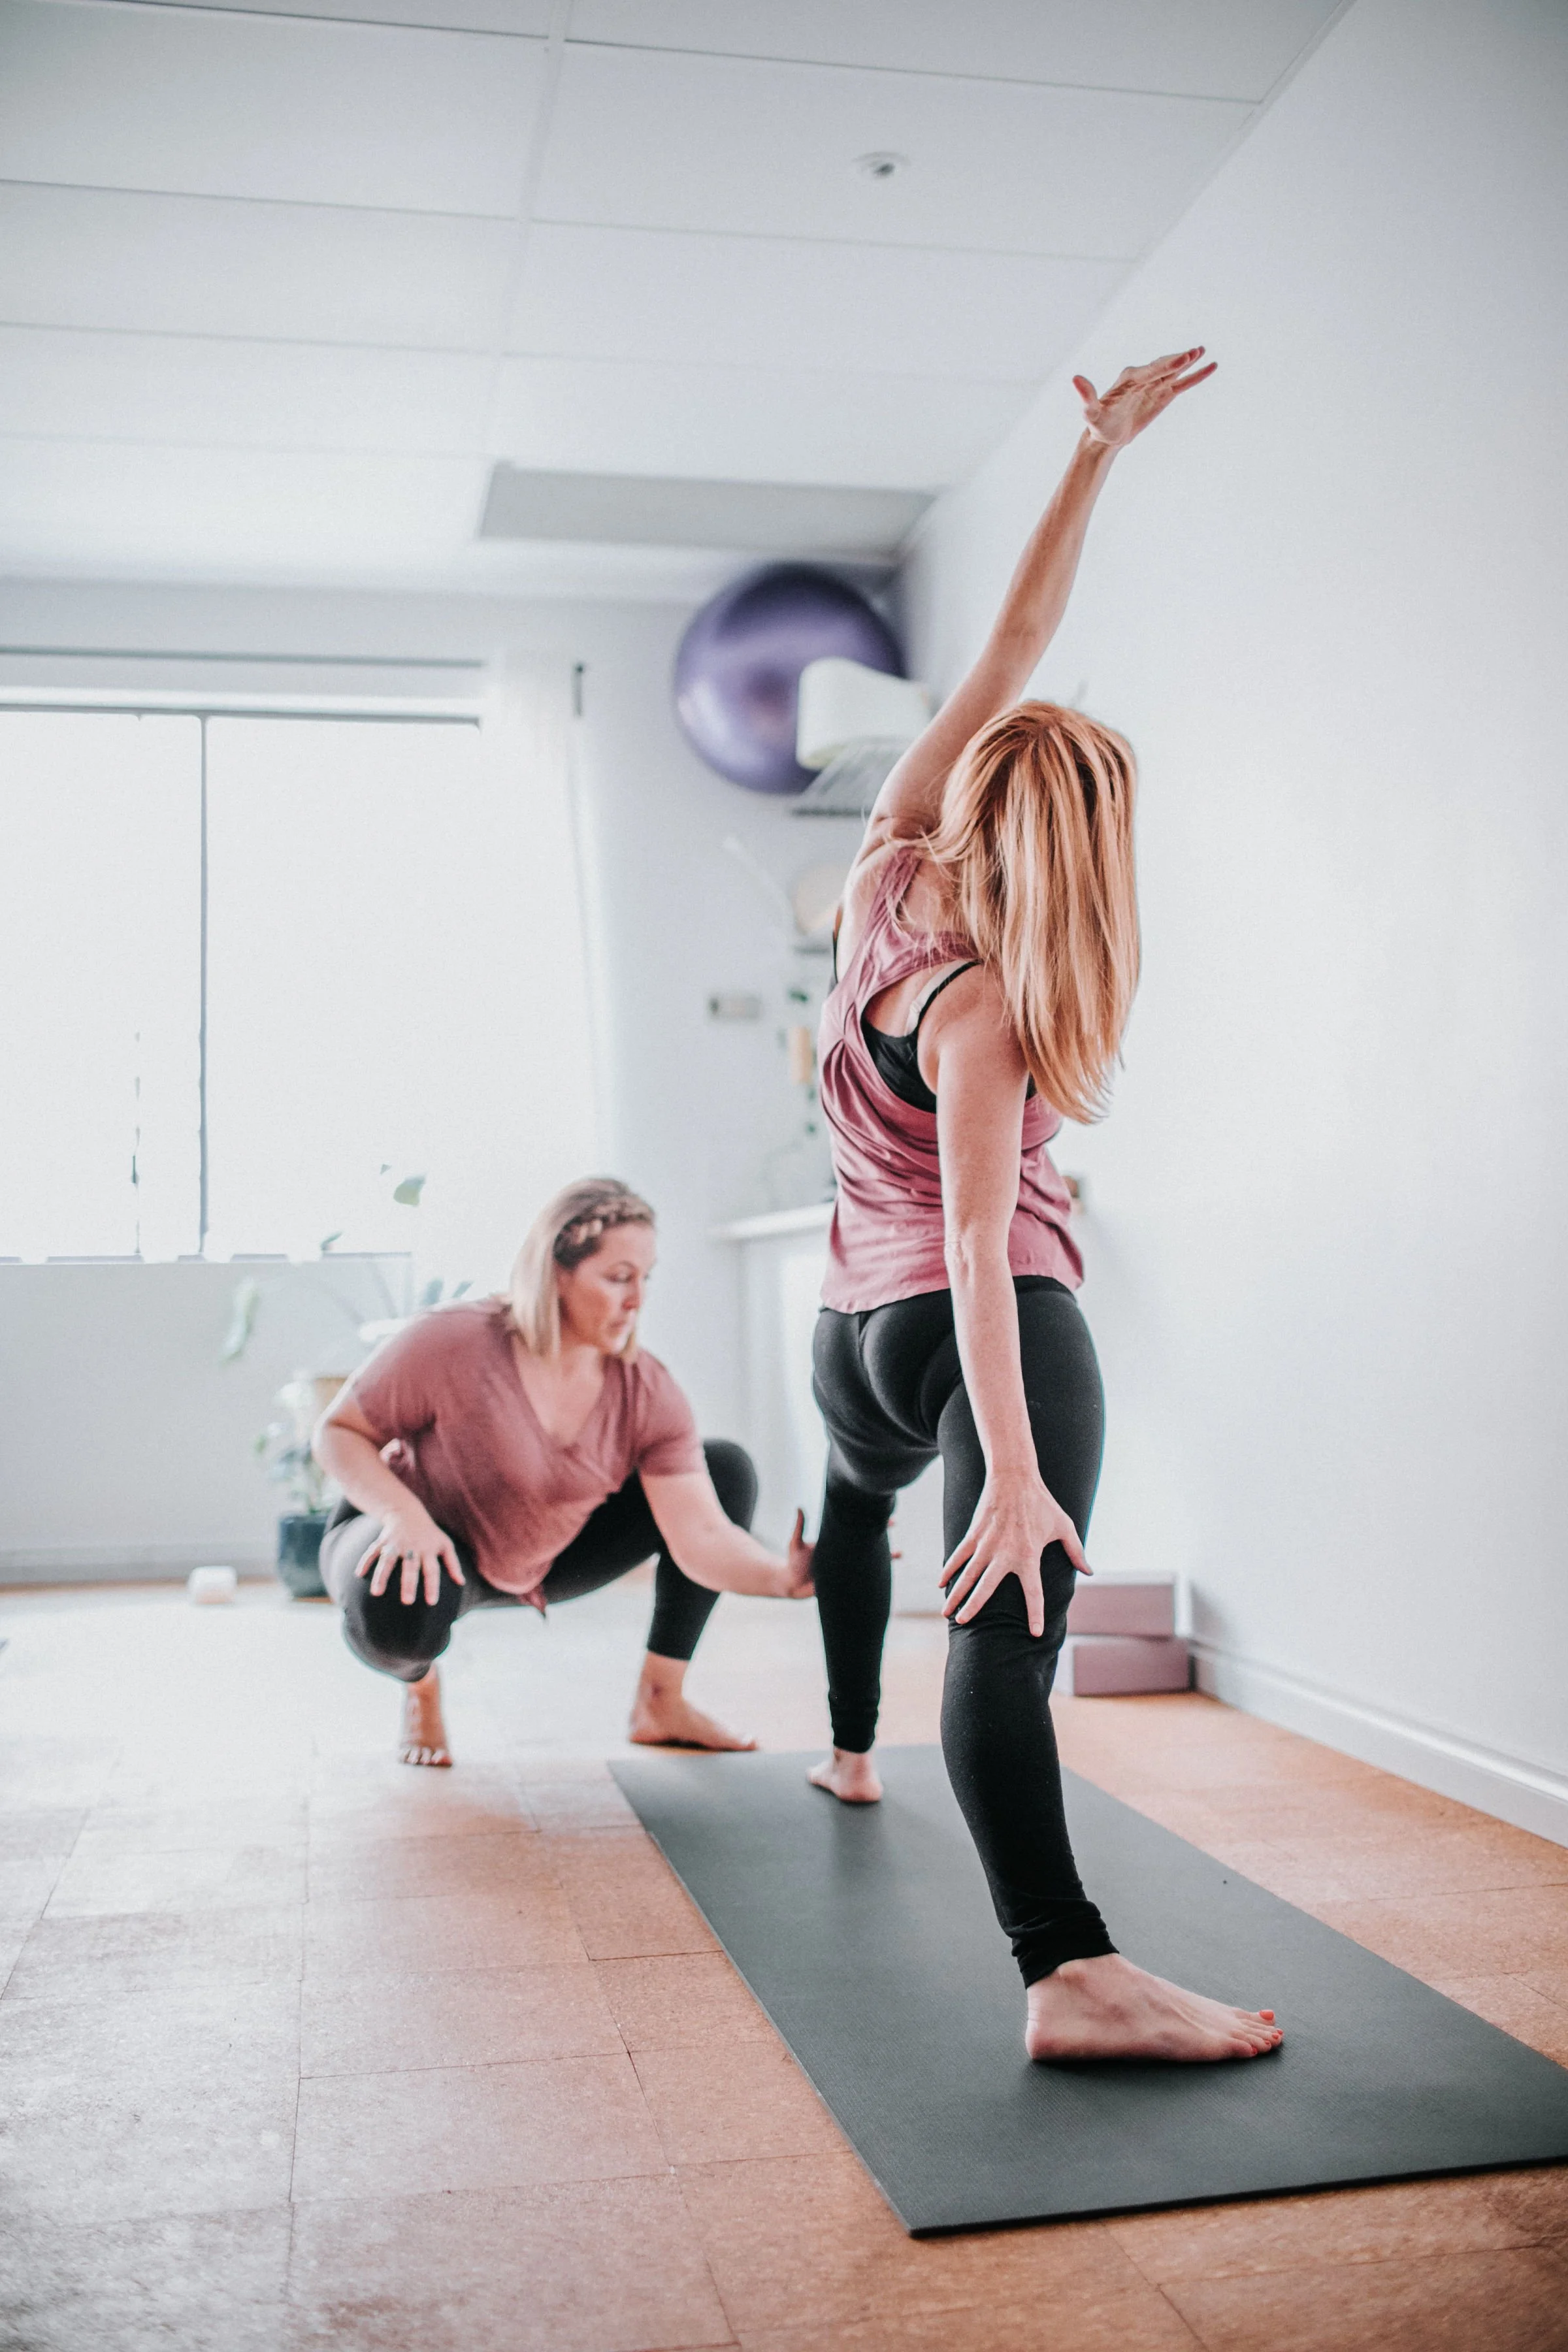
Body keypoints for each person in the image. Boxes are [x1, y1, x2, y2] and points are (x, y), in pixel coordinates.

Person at [808, 348, 1283, 2065]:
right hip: (977, 1323)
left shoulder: (881, 875)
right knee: (1009, 1629)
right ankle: (1067, 1974)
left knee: (857, 1516)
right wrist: (1013, 1464)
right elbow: (983, 1251)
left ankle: (846, 1746)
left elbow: (1008, 652)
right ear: (1088, 859)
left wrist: (1092, 460)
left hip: (848, 1338)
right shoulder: (998, 1008)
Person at [314, 1177, 814, 1767]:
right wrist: (403, 1515)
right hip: (412, 1532)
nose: (637, 1300)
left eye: (645, 1278)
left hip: (545, 1552)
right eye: (618, 1277)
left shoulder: (643, 1387)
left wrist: (784, 1576)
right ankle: (419, 1683)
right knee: (400, 1611)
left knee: (724, 1469)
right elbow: (338, 1432)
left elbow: (700, 1536)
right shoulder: (454, 1341)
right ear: (557, 1269)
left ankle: (661, 1701)